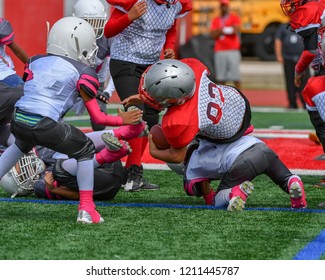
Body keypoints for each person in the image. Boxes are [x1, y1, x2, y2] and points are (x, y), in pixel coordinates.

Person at [0, 17, 144, 224]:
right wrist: (121, 119)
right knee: (84, 150)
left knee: (20, 145)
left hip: (18, 119)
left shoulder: (35, 61)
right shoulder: (83, 72)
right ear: (77, 43)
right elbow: (97, 117)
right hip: (44, 123)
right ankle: (86, 209)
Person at [124, 57, 307, 210]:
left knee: (218, 199)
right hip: (237, 108)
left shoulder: (180, 122)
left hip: (234, 147)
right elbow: (175, 87)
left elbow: (177, 155)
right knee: (279, 172)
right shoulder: (193, 68)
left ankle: (233, 193)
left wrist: (155, 152)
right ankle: (291, 180)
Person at [104, 0, 192, 192]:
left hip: (151, 65)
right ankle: (134, 171)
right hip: (125, 61)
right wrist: (129, 17)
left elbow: (171, 28)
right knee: (137, 113)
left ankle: (129, 172)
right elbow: (108, 31)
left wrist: (169, 47)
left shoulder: (175, 4)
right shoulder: (135, 2)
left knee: (151, 116)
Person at [168, 135, 307, 211]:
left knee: (216, 202)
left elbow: (208, 198)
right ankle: (292, 183)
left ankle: (234, 193)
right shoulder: (206, 138)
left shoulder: (192, 167)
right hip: (260, 146)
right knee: (283, 178)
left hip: (242, 161)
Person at [71, 0, 116, 131]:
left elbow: (116, 67)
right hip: (71, 81)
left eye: (96, 22)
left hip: (97, 83)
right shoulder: (68, 33)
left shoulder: (108, 36)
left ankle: (100, 150)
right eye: (87, 21)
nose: (91, 27)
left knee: (99, 122)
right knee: (55, 113)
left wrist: (107, 92)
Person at [0, 17, 29, 148]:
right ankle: (25, 152)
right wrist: (34, 66)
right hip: (15, 82)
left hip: (5, 84)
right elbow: (14, 47)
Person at [275, 22, 311, 109]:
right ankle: (292, 103)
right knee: (290, 81)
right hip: (288, 59)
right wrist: (279, 55)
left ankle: (305, 103)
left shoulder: (305, 26)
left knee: (304, 82)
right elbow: (278, 40)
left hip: (302, 59)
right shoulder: (283, 27)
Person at [210, 0, 241, 90]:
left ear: (228, 6)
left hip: (232, 50)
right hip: (220, 50)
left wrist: (221, 30)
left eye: (225, 5)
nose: (224, 7)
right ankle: (221, 98)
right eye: (222, 6)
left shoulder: (234, 18)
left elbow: (235, 30)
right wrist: (226, 30)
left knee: (236, 77)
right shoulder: (216, 20)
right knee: (221, 78)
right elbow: (213, 35)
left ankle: (240, 97)